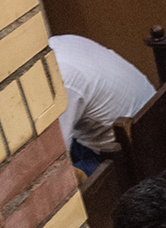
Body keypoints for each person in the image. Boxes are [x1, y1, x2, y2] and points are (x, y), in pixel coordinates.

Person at [48, 34, 155, 174]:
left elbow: (56, 160)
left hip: (128, 154)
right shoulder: (60, 42)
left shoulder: (62, 78)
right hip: (152, 117)